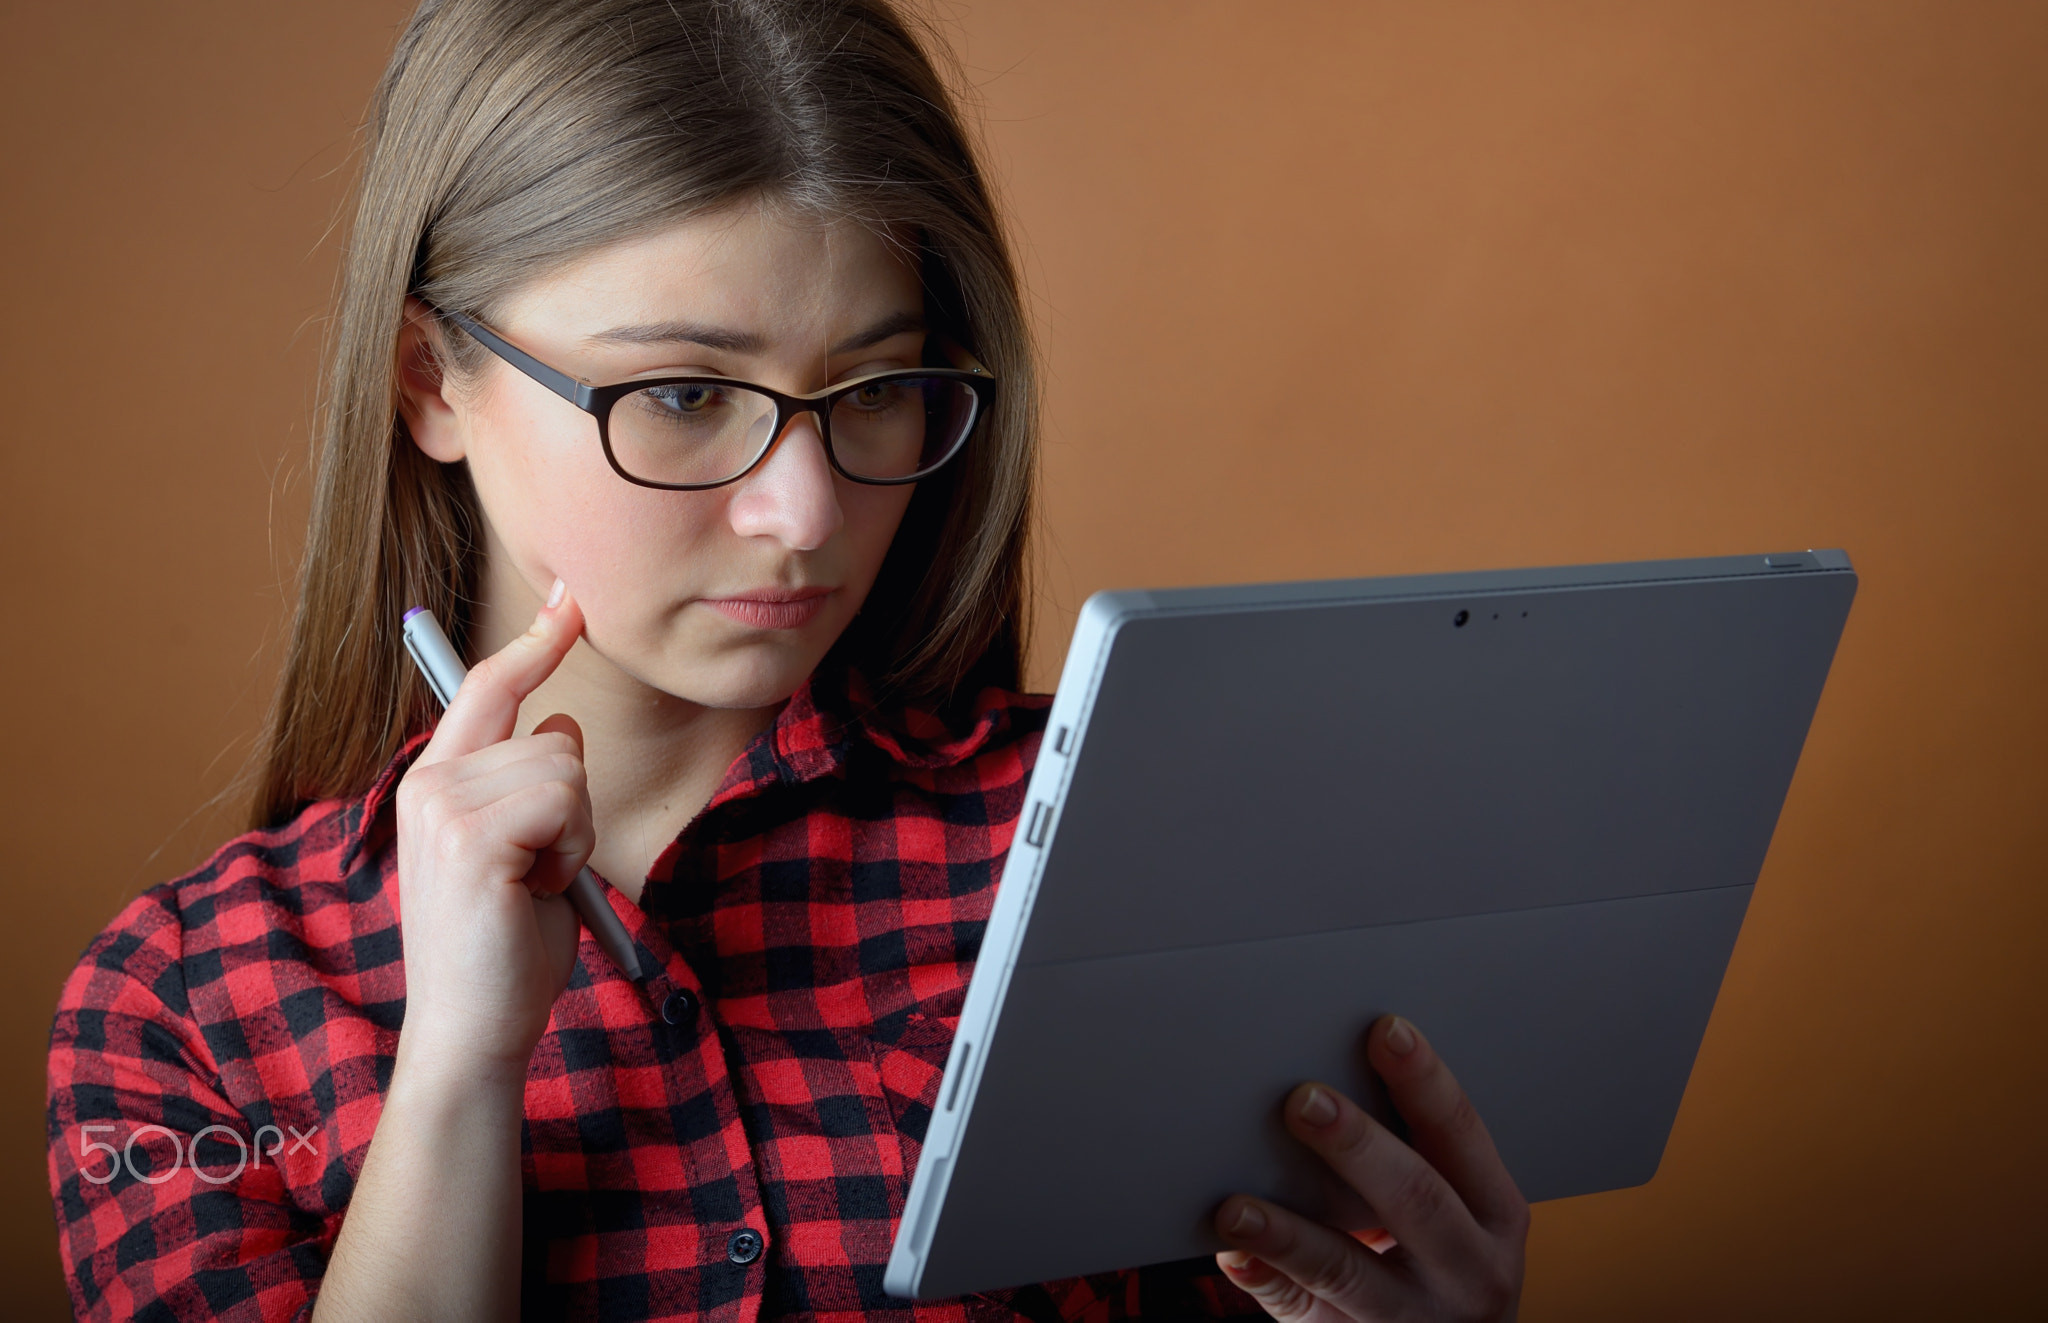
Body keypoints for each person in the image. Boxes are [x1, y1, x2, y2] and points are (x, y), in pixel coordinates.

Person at [45, 1, 1530, 1318]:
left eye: (875, 389)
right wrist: (455, 1073)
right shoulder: (182, 1007)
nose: (805, 514)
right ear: (432, 380)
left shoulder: (1127, 846)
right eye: (687, 393)